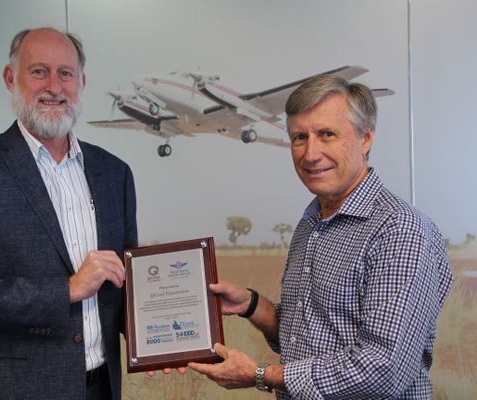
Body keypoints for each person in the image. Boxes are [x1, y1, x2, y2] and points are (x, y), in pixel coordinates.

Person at [188, 74, 452, 399]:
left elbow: (383, 369)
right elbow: (310, 336)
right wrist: (252, 305)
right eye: (300, 137)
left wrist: (261, 375)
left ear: (366, 138)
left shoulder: (400, 229)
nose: (311, 154)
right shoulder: (311, 224)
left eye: (327, 134)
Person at [0, 27, 137, 400]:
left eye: (65, 73)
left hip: (101, 389)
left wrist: (171, 333)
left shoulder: (114, 173)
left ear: (81, 83)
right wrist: (66, 290)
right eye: (39, 71)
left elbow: (126, 286)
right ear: (10, 78)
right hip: (16, 390)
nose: (54, 87)